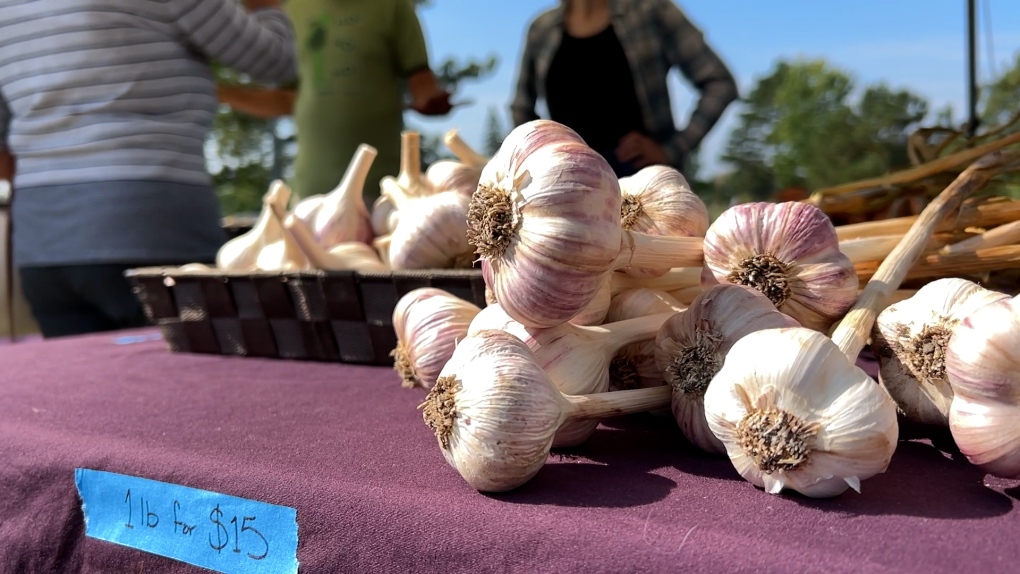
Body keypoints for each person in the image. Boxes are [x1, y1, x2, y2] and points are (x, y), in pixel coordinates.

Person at [0, 0, 298, 339]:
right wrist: (266, 6)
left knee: (83, 385)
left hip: (44, 243)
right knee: (190, 380)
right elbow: (275, 60)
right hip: (152, 224)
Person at [216, 0, 452, 205]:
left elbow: (422, 81)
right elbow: (286, 100)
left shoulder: (393, 6)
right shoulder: (292, 11)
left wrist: (431, 99)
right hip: (310, 193)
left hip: (384, 192)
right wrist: (217, 91)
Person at [511, 0, 738, 177]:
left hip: (642, 187)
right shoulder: (541, 30)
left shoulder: (651, 12)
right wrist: (536, 160)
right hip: (567, 187)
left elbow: (719, 83)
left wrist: (672, 149)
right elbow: (521, 106)